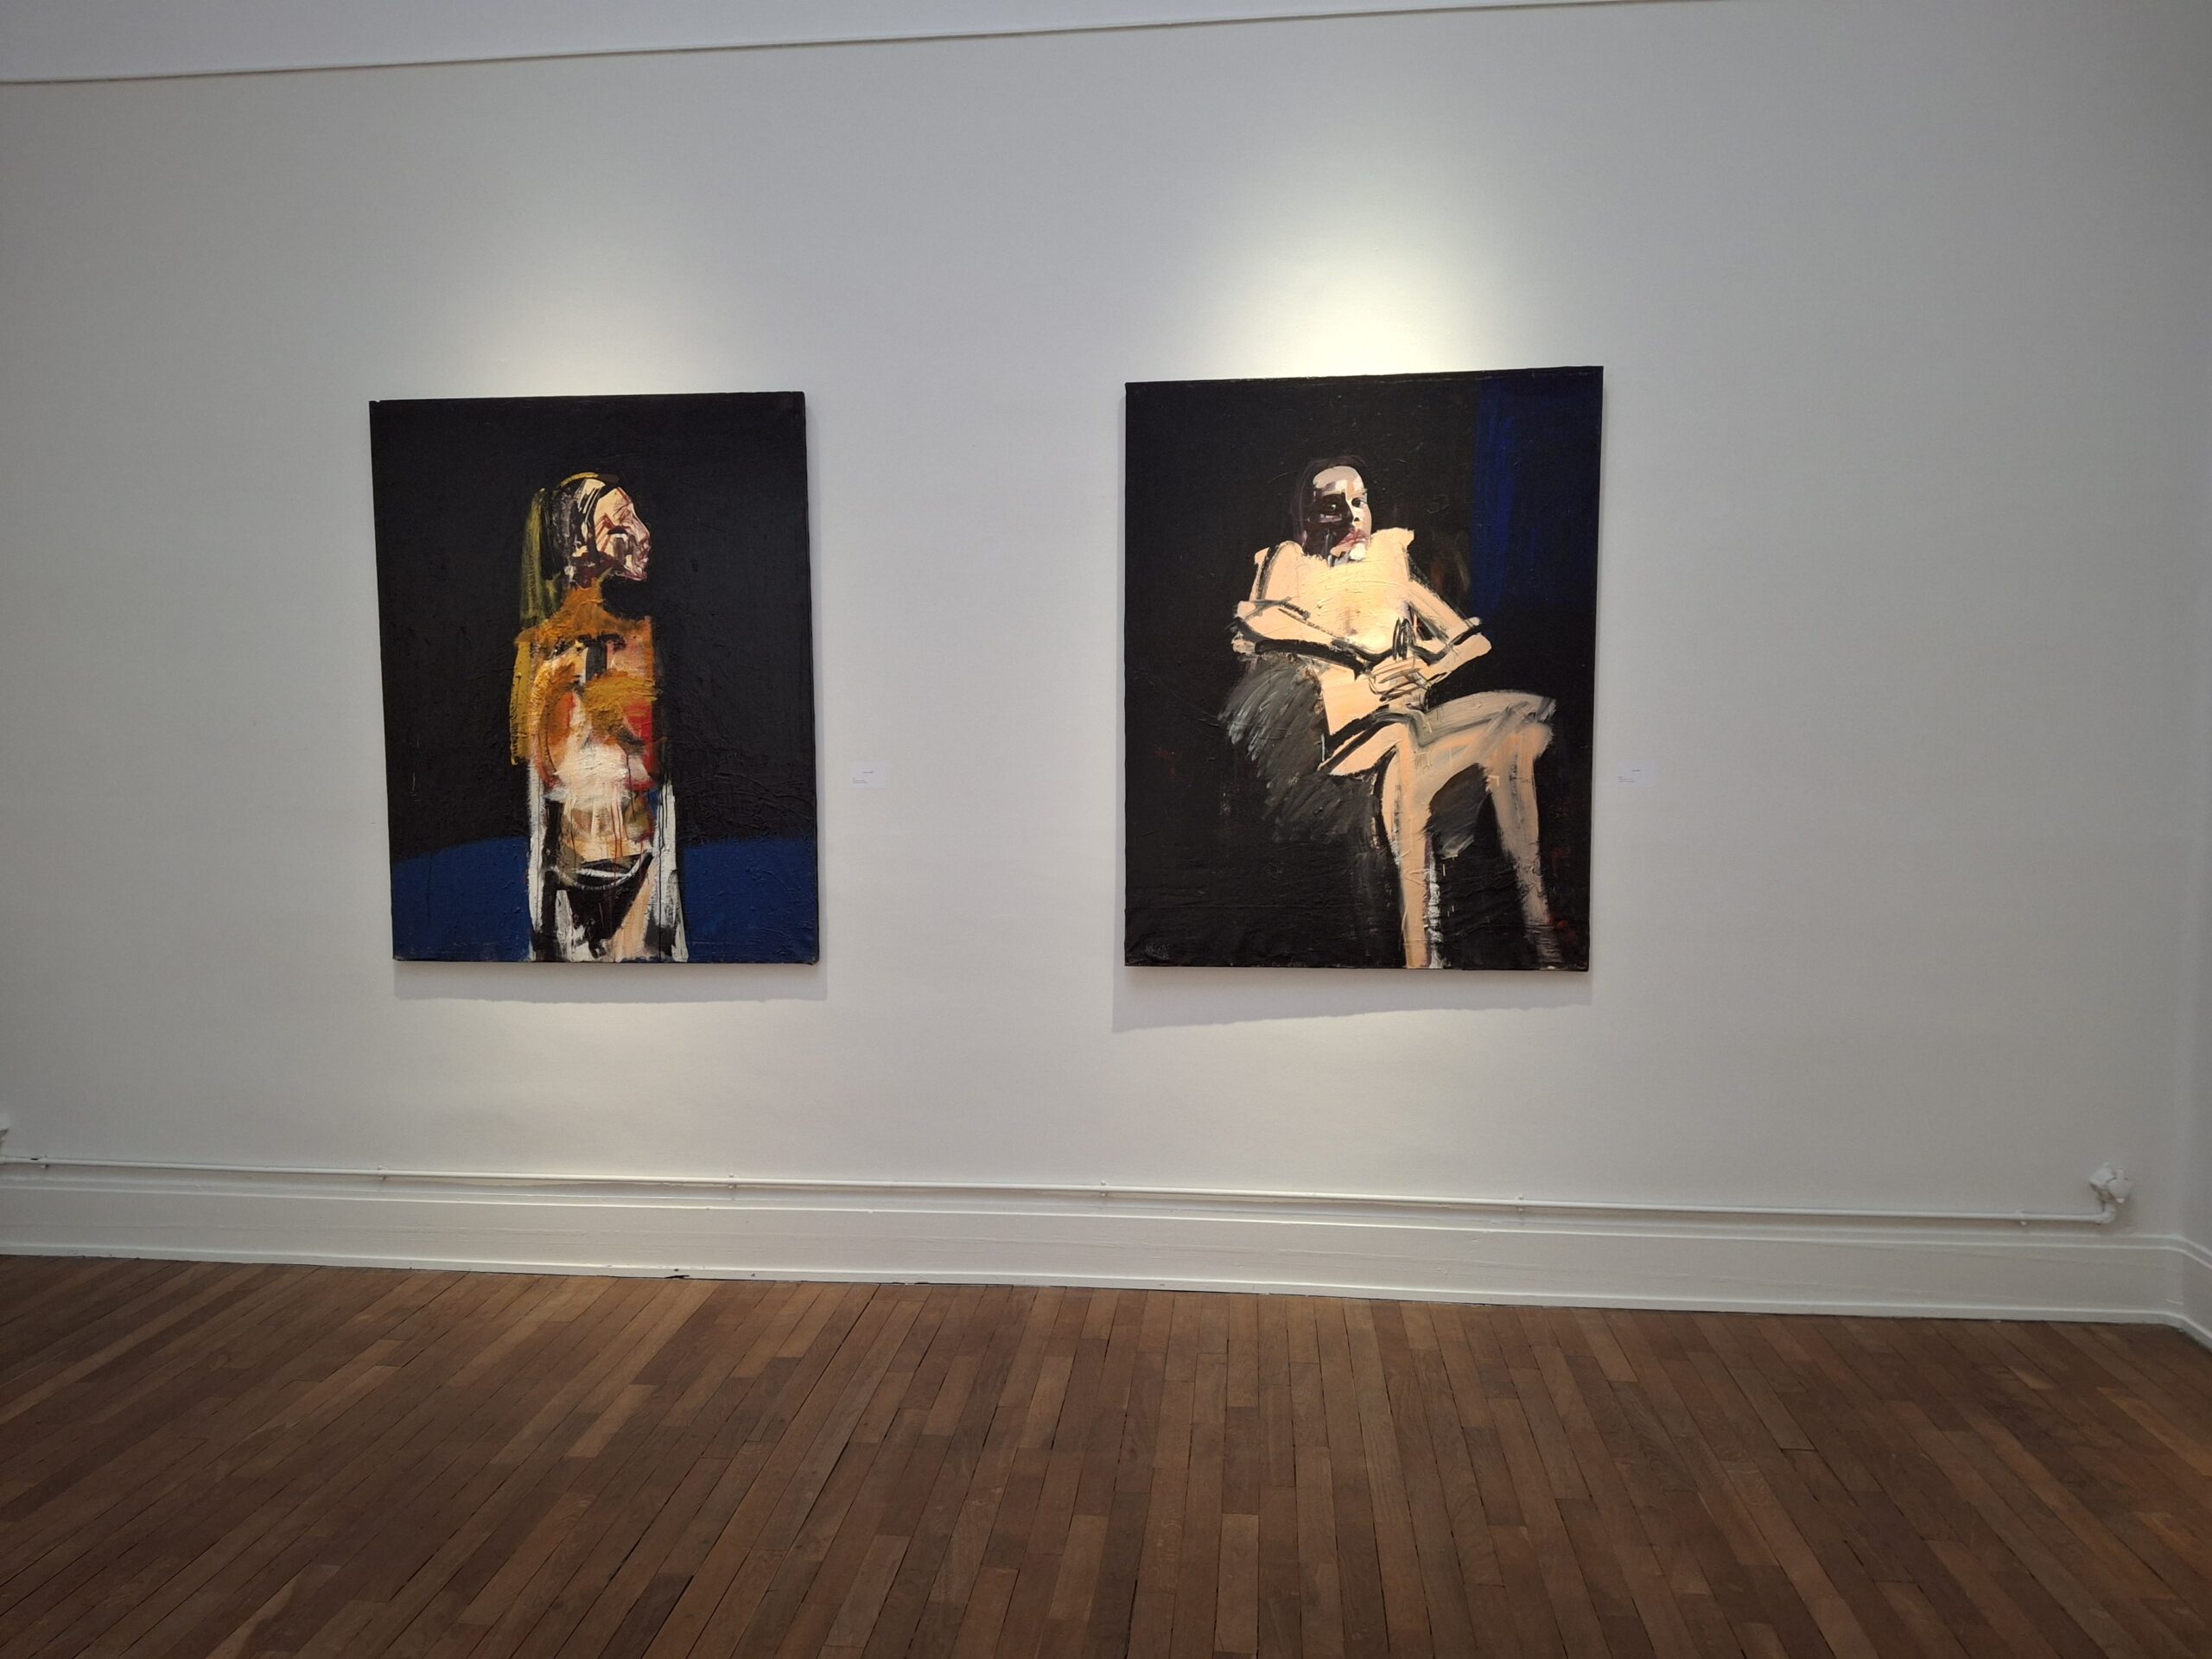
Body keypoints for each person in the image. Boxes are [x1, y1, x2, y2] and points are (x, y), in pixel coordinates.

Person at [1225, 459, 1560, 968]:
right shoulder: (1289, 560)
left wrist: (1425, 668)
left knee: (1517, 719)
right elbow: (1260, 622)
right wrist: (1362, 657)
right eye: (1332, 507)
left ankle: (1539, 927)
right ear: (1305, 517)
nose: (1352, 516)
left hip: (1409, 720)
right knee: (1404, 738)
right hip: (1338, 738)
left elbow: (1471, 640)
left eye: (1359, 502)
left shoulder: (1388, 563)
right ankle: (1422, 953)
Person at [510, 472, 686, 961]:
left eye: (637, 517)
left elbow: (654, 774)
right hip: (573, 871)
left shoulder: (641, 643)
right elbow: (540, 779)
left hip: (638, 863)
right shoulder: (544, 653)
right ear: (579, 546)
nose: (642, 534)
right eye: (621, 522)